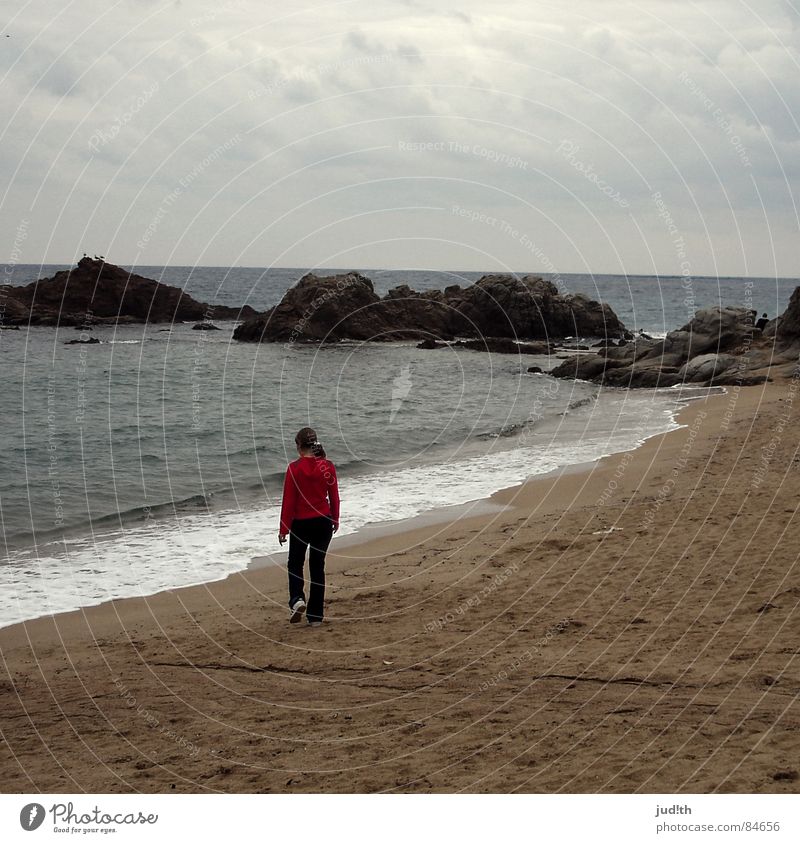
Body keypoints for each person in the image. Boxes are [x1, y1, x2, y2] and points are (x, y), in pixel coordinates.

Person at [278, 427, 340, 627]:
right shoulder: (328, 466)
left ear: (298, 446)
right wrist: (335, 519)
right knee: (317, 566)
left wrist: (283, 529)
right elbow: (334, 496)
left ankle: (297, 599)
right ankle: (315, 617)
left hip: (301, 523)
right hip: (323, 521)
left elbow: (288, 502)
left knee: (295, 563)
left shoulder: (293, 469)